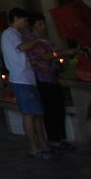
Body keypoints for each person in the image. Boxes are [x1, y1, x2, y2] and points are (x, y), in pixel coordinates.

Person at [1, 7, 51, 159]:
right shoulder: (10, 34)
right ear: (16, 18)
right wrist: (38, 39)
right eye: (25, 20)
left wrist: (35, 62)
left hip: (27, 78)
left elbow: (22, 56)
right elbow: (22, 48)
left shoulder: (16, 35)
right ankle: (33, 148)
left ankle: (42, 143)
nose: (26, 23)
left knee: (36, 113)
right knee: (29, 114)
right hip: (21, 78)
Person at [24, 12, 77, 152]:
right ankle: (54, 140)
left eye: (43, 24)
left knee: (59, 108)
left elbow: (54, 52)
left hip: (53, 78)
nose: (43, 27)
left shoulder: (45, 39)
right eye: (39, 24)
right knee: (50, 110)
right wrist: (64, 52)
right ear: (32, 26)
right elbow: (45, 56)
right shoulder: (32, 40)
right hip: (42, 80)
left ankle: (61, 138)